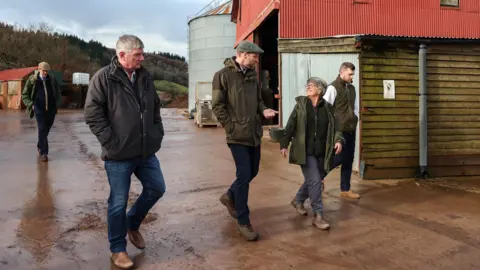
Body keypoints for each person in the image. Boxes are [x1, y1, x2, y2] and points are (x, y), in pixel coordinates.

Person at [84, 35, 165, 269]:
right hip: (118, 155)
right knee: (118, 202)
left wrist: (156, 133)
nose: (143, 57)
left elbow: (155, 108)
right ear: (122, 55)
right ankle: (117, 249)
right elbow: (92, 114)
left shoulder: (145, 76)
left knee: (157, 188)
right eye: (138, 54)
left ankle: (132, 222)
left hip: (145, 151)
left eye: (142, 53)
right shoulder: (104, 78)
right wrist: (111, 142)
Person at [212, 40, 277, 241]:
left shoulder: (252, 76)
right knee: (244, 175)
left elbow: (257, 100)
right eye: (254, 56)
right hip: (237, 135)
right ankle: (243, 221)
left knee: (253, 171)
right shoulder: (222, 76)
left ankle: (230, 195)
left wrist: (263, 109)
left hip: (253, 133)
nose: (257, 60)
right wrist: (231, 126)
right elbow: (217, 105)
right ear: (243, 54)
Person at [280, 77, 343, 230]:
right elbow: (290, 125)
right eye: (307, 85)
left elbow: (337, 127)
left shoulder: (328, 108)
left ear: (320, 90)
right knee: (315, 180)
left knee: (313, 179)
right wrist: (284, 143)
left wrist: (339, 140)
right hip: (305, 151)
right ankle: (319, 215)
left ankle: (298, 200)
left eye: (312, 85)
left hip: (322, 151)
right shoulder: (301, 106)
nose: (308, 87)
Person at [323, 62, 361, 199]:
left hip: (351, 127)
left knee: (349, 159)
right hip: (339, 130)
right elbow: (326, 109)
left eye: (353, 74)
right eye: (350, 74)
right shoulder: (333, 88)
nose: (352, 77)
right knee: (337, 158)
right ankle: (318, 178)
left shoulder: (352, 88)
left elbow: (355, 106)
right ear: (342, 72)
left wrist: (356, 117)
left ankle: (345, 189)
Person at [21, 61, 62, 162]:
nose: (45, 73)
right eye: (44, 71)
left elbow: (57, 92)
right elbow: (24, 95)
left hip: (51, 109)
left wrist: (57, 104)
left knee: (47, 128)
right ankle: (44, 153)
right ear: (39, 69)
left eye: (47, 71)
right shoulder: (32, 80)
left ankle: (40, 144)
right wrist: (31, 105)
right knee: (42, 128)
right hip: (38, 108)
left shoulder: (52, 79)